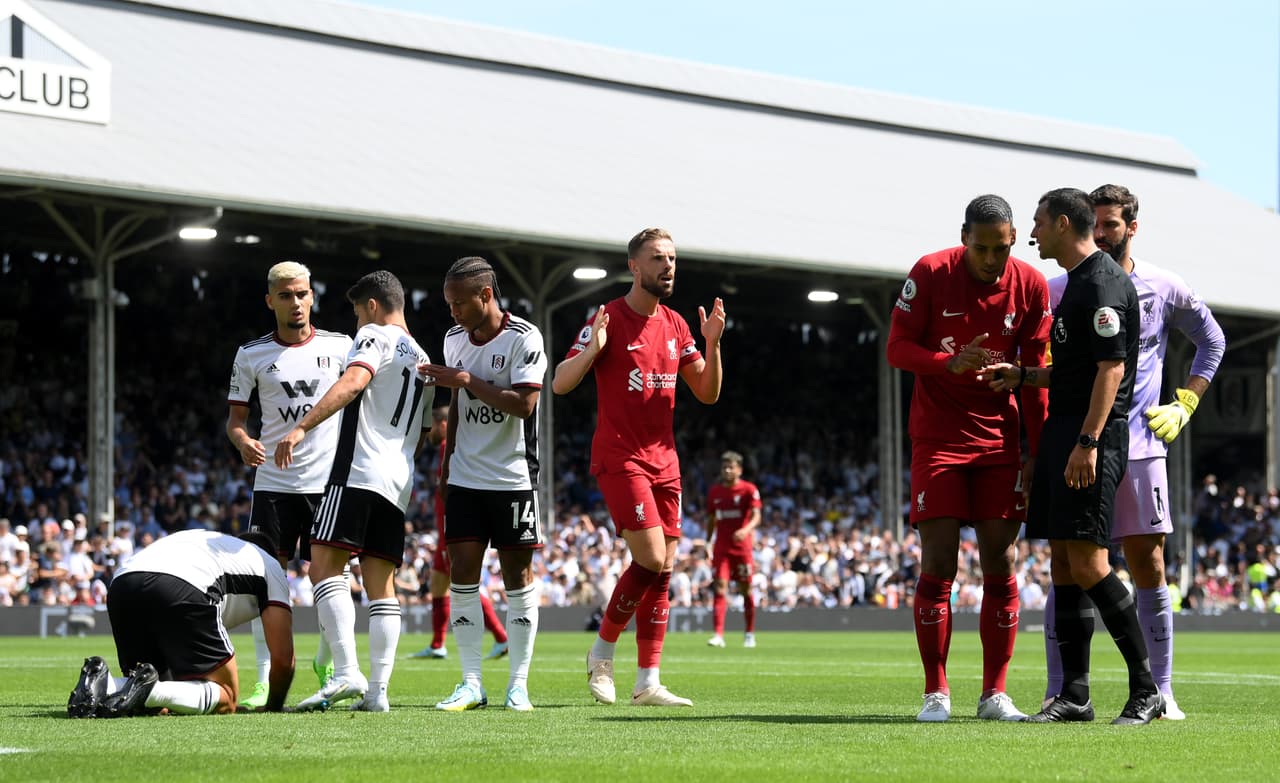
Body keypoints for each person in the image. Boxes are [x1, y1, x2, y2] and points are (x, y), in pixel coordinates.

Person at [1037, 185, 1224, 721]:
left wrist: (1186, 401)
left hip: (1135, 443)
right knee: (1066, 562)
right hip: (1079, 438)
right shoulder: (1060, 288)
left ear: (1132, 228)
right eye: (1093, 222)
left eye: (1111, 224)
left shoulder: (1163, 285)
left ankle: (1159, 690)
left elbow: (1212, 341)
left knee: (1145, 560)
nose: (1100, 232)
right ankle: (1063, 690)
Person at [979, 187, 1163, 724]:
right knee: (1063, 563)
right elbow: (1078, 370)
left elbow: (1112, 370)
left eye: (1037, 222)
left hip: (1091, 439)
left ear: (1063, 223)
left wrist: (1088, 442)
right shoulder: (1077, 285)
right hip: (1064, 432)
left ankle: (1146, 690)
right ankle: (1076, 695)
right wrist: (1024, 376)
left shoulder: (1103, 282)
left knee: (1089, 562)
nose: (1031, 233)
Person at [885, 194, 1051, 722]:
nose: (991, 260)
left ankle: (994, 694)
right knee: (938, 565)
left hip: (1000, 443)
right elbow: (897, 348)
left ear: (1013, 241)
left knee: (1002, 565)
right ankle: (936, 691)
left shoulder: (1030, 284)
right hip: (937, 439)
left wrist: (1035, 452)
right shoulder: (931, 271)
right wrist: (948, 362)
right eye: (981, 248)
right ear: (964, 238)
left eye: (1000, 249)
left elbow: (1035, 377)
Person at [552, 227, 725, 707]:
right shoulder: (608, 317)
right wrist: (592, 350)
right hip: (620, 457)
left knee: (664, 569)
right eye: (656, 258)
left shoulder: (675, 324)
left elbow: (707, 392)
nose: (667, 265)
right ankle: (600, 653)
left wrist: (712, 344)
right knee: (650, 558)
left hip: (665, 461)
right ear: (634, 266)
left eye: (672, 257)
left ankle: (647, 680)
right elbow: (560, 384)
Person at [274, 270, 433, 713]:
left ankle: (345, 672)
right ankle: (378, 693)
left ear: (373, 307)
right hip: (396, 480)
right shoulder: (422, 359)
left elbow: (354, 382)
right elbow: (424, 431)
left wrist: (301, 427)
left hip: (358, 470)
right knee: (382, 585)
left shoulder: (373, 337)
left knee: (323, 566)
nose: (357, 322)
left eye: (357, 313)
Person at [419, 257, 549, 712]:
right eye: (448, 303)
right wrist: (447, 463)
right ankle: (471, 683)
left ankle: (519, 684)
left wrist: (468, 380)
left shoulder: (524, 338)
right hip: (467, 477)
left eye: (459, 303)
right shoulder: (454, 338)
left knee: (518, 579)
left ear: (486, 295)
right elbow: (456, 404)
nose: (452, 312)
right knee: (462, 577)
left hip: (514, 476)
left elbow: (524, 406)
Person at [226, 260, 352, 708]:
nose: (295, 303)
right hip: (274, 484)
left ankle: (328, 661)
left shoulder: (342, 346)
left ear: (312, 296)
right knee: (268, 582)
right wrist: (243, 442)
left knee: (330, 577)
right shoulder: (251, 355)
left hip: (328, 483)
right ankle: (263, 678)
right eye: (285, 295)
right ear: (270, 301)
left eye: (301, 294)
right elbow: (236, 421)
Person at [65, 529, 295, 718]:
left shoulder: (208, 542)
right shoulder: (270, 565)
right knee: (227, 698)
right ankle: (144, 690)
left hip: (123, 583)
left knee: (154, 703)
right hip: (182, 585)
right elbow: (284, 661)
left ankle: (104, 684)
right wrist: (273, 707)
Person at [407, 403, 510, 662]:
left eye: (433, 424)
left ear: (444, 424)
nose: (429, 430)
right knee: (439, 584)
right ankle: (437, 643)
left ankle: (501, 636)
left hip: (450, 524)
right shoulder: (449, 447)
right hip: (445, 523)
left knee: (462, 583)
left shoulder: (447, 446)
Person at [705, 450, 763, 649]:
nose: (727, 470)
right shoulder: (715, 492)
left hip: (742, 549)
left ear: (739, 470)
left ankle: (749, 633)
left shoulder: (748, 490)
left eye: (731, 467)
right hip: (722, 547)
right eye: (724, 467)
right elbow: (711, 519)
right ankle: (718, 635)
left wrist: (746, 530)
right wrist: (707, 541)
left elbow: (757, 516)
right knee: (720, 587)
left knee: (745, 590)